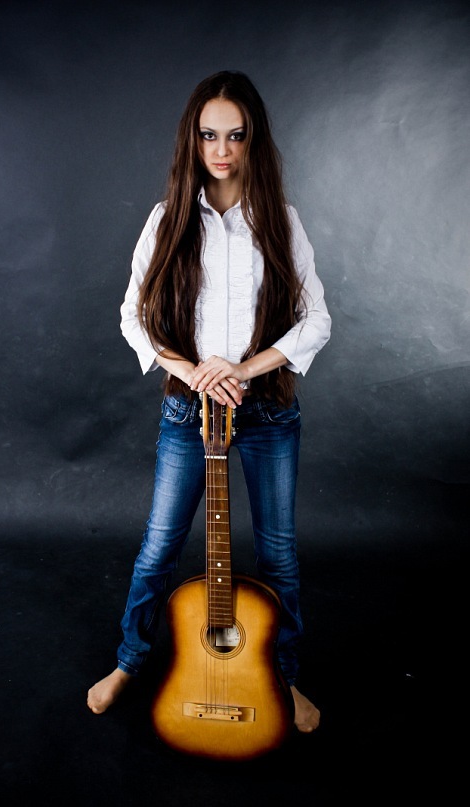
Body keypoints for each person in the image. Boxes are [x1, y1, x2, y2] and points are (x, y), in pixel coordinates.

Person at [87, 70, 331, 733]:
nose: (221, 150)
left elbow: (317, 321)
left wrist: (242, 368)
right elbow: (133, 318)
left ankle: (282, 677)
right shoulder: (166, 219)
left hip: (267, 411)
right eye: (208, 135)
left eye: (236, 135)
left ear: (253, 140)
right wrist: (196, 373)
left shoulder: (280, 221)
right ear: (191, 141)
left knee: (278, 555)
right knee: (159, 548)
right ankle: (131, 662)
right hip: (187, 411)